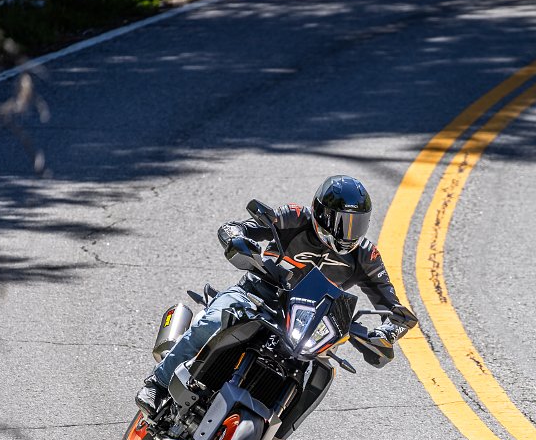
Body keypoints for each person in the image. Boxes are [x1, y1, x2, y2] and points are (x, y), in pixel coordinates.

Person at [136, 174, 416, 415]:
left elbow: (394, 308)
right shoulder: (295, 217)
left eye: (357, 224)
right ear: (320, 212)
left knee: (316, 371)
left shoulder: (366, 255)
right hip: (258, 295)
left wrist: (388, 330)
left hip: (308, 323)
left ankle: (270, 420)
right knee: (213, 320)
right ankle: (157, 384)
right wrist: (236, 236)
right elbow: (244, 226)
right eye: (342, 222)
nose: (348, 233)